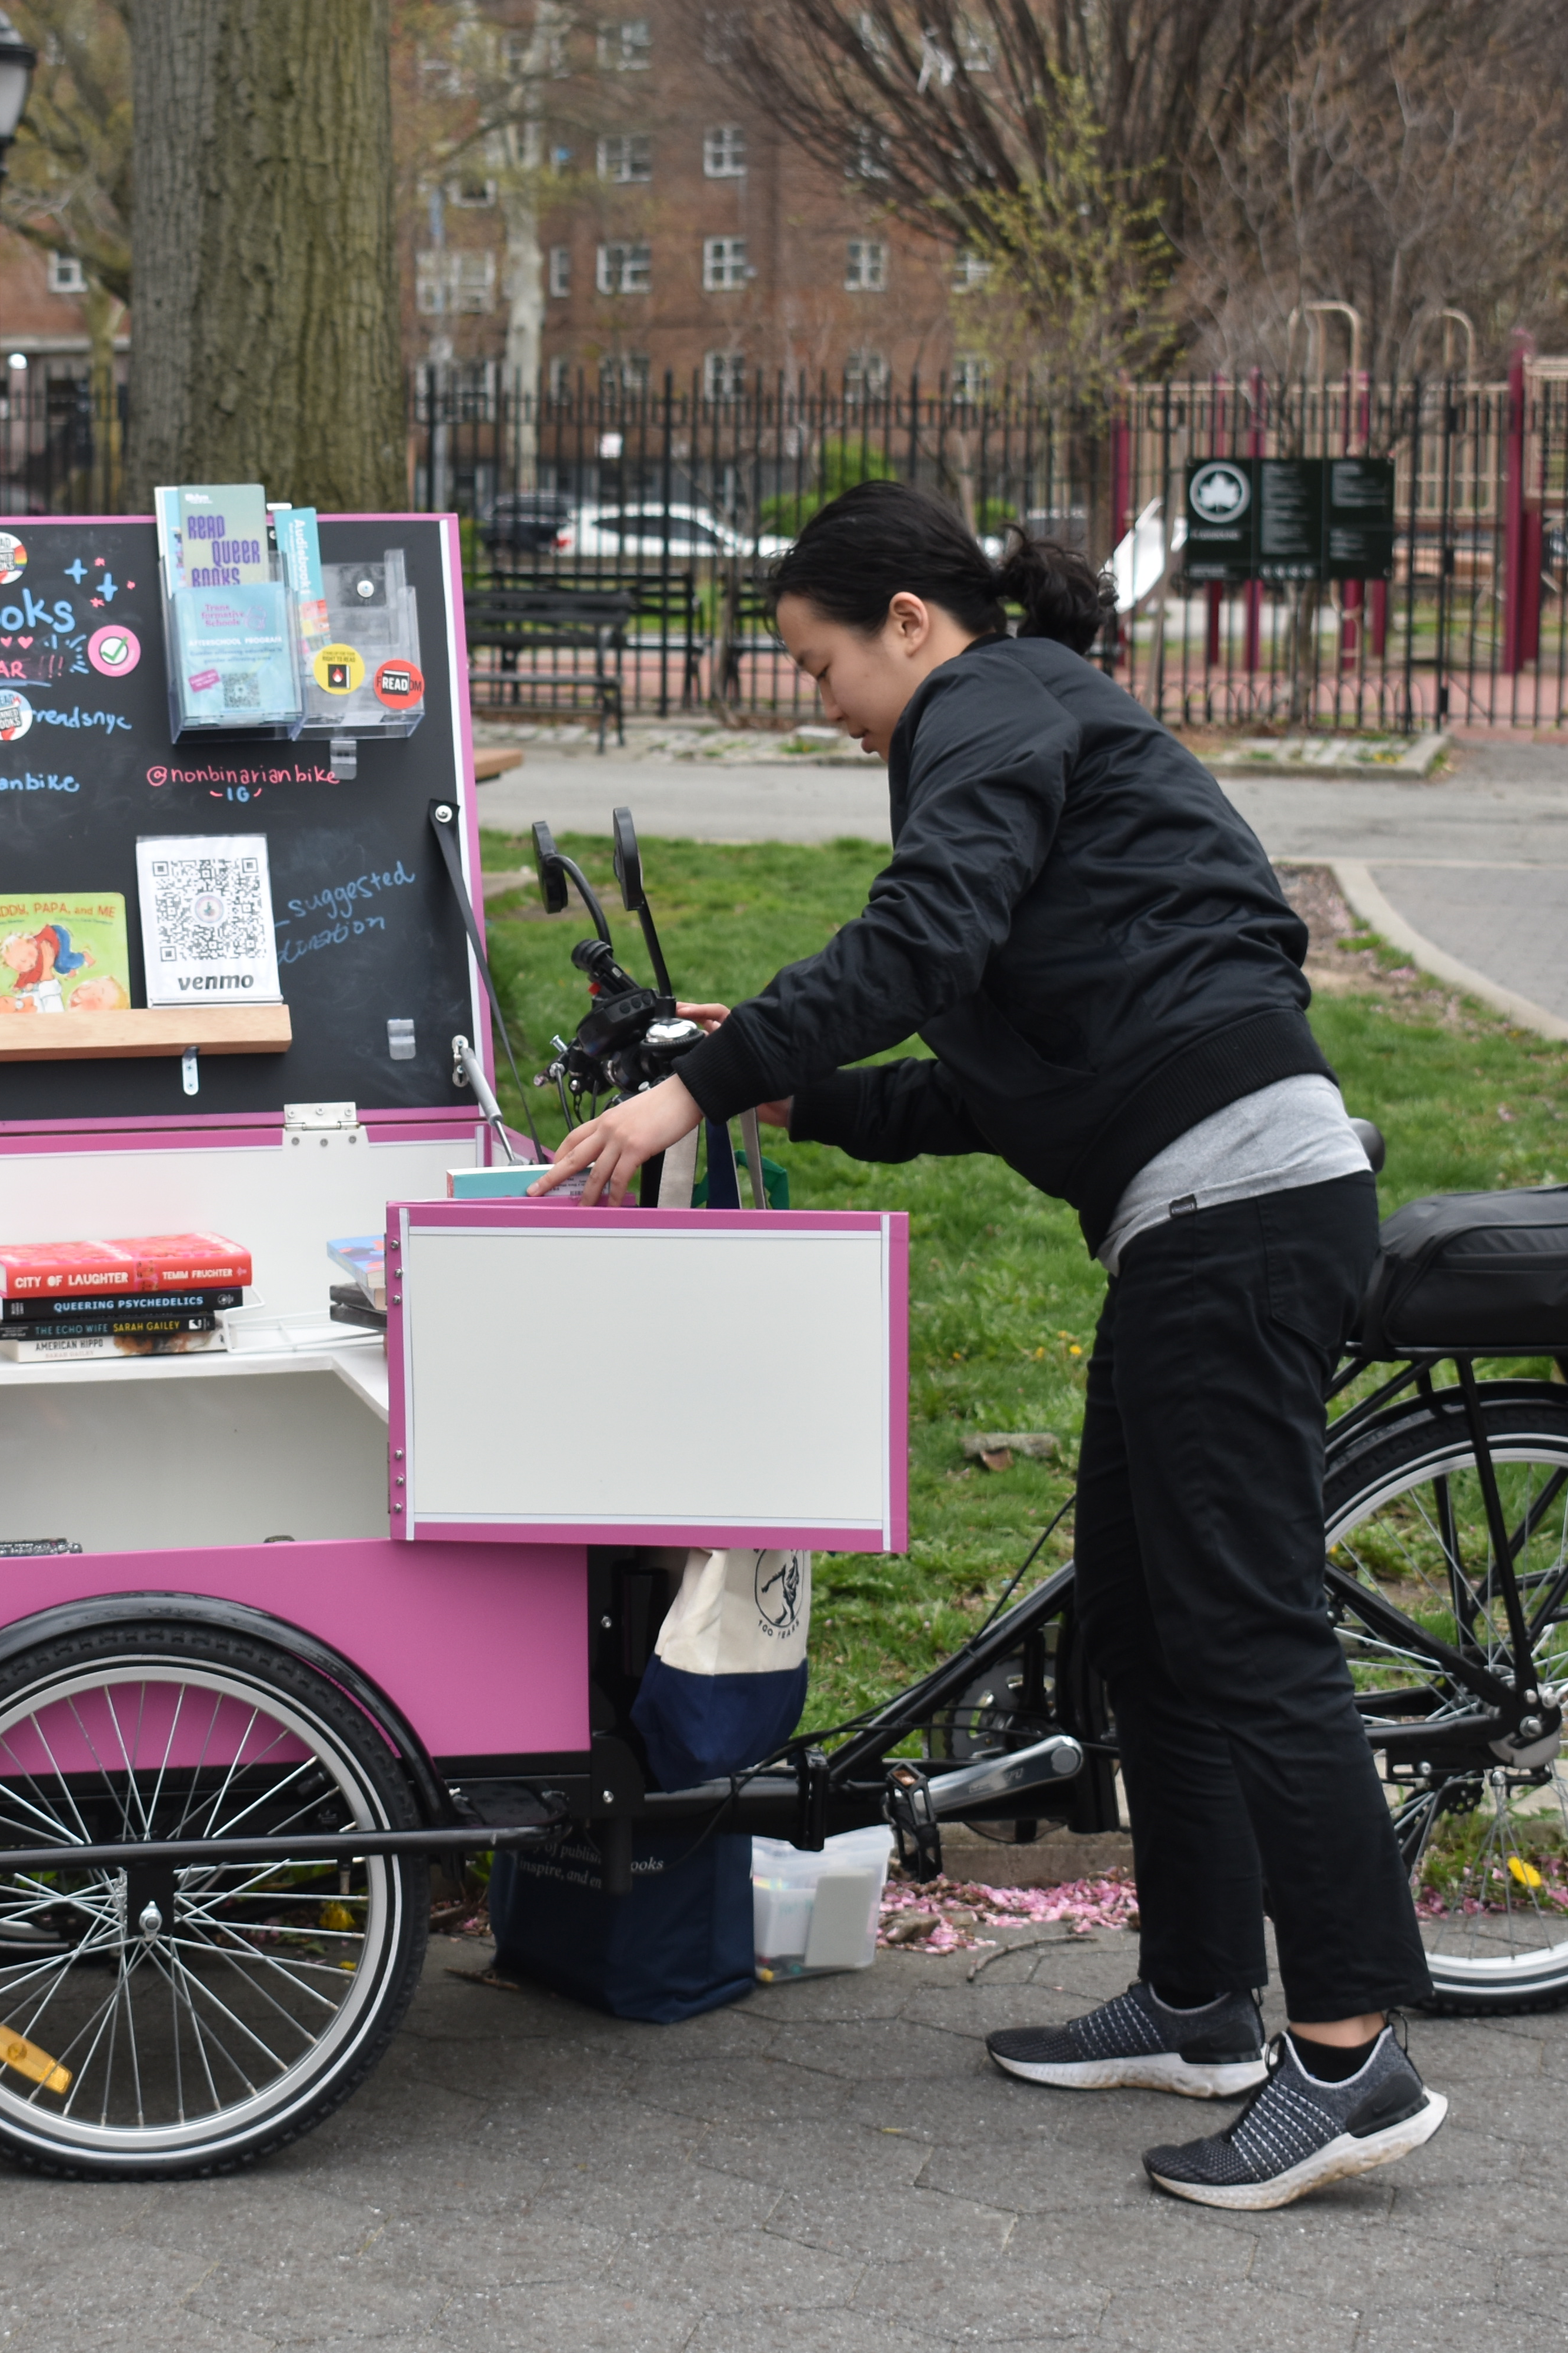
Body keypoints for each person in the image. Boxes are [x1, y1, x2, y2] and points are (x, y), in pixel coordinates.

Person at [528, 480, 1442, 2211]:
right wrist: (794, 1089)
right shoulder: (1023, 725)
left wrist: (692, 1088)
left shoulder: (992, 700)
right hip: (1196, 1213)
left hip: (1240, 1216)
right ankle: (1199, 2001)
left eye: (819, 666)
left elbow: (919, 940)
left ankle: (1349, 2055)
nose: (821, 704)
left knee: (1249, 1633)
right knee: (1145, 1629)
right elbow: (990, 1079)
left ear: (907, 622)